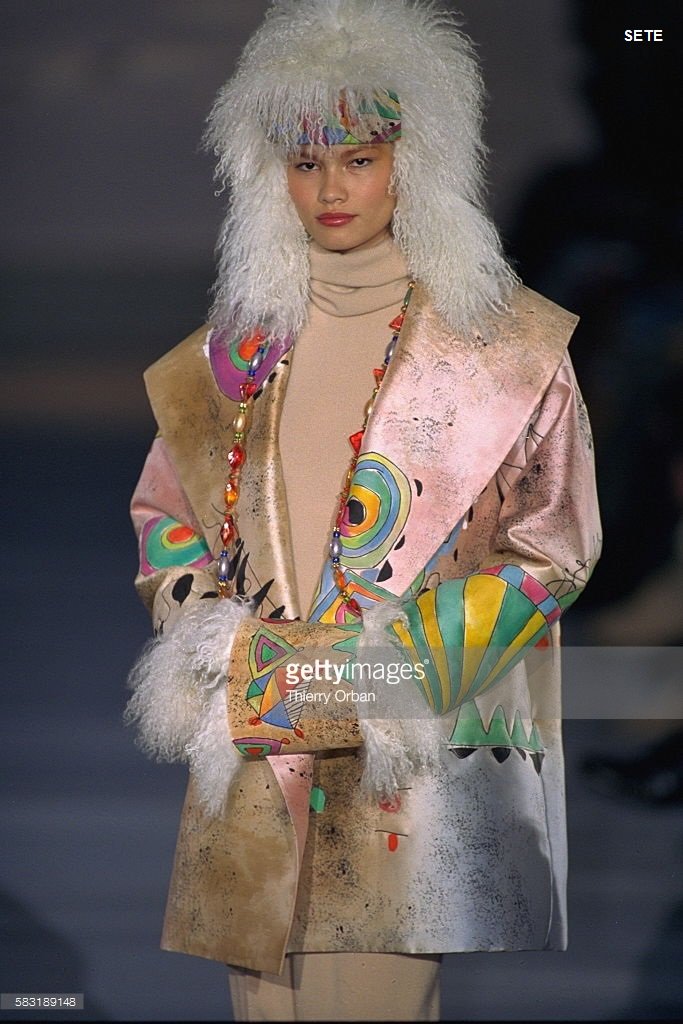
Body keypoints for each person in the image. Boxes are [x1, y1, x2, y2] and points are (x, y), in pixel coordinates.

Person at [125, 1, 601, 1019]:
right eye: (303, 161)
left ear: (413, 158)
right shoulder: (226, 360)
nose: (329, 187)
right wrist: (216, 639)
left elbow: (548, 544)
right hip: (252, 751)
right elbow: (167, 518)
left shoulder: (500, 353)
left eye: (358, 157)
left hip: (403, 760)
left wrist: (374, 677)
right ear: (267, 173)